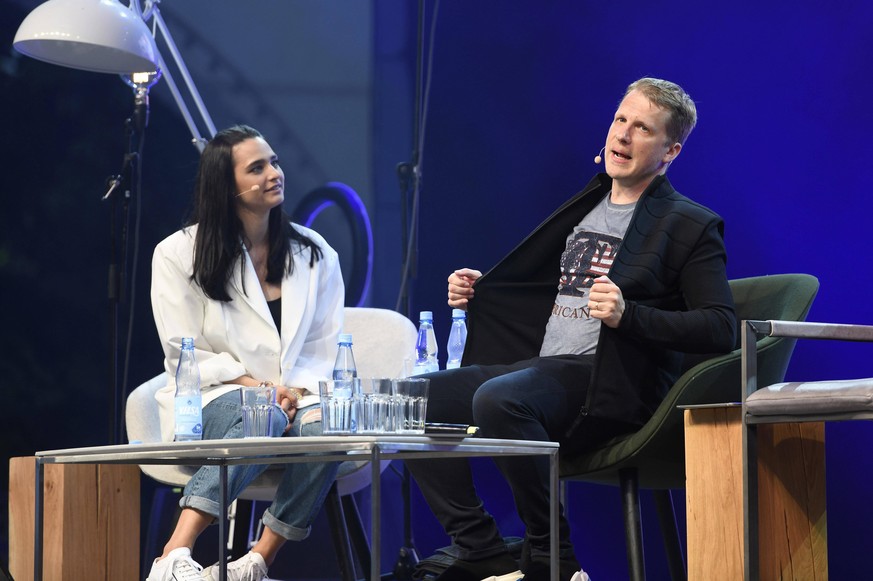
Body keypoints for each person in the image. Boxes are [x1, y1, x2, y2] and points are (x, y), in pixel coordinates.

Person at [406, 78, 737, 581]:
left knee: (499, 400)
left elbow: (720, 328)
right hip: (546, 370)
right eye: (620, 120)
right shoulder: (586, 207)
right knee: (414, 398)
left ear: (670, 151)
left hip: (611, 382)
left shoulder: (689, 224)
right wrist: (483, 290)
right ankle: (480, 546)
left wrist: (631, 314)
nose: (623, 136)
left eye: (642, 128)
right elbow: (553, 293)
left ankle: (552, 559)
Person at [146, 125, 344, 581]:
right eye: (257, 168)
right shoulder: (178, 253)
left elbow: (323, 345)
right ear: (226, 186)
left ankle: (255, 562)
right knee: (264, 414)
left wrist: (293, 391)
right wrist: (264, 390)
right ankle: (173, 555)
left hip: (297, 396)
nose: (274, 173)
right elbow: (183, 350)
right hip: (215, 397)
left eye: (274, 162)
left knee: (330, 421)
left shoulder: (315, 254)